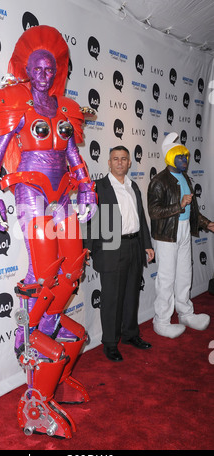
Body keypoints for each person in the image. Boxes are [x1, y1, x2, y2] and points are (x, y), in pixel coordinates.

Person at [0, 25, 97, 438]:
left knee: (72, 269)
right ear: (28, 70)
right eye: (38, 67)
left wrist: (87, 188)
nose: (45, 73)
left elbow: (72, 154)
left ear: (57, 70)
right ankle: (32, 354)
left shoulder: (64, 108)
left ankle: (44, 352)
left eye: (51, 67)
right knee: (45, 276)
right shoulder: (18, 102)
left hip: (64, 193)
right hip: (30, 191)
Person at [87, 146, 154, 362]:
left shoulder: (133, 186)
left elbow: (140, 217)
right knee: (111, 299)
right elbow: (90, 219)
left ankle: (130, 334)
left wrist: (146, 244)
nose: (119, 162)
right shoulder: (99, 186)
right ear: (108, 162)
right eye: (115, 158)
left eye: (124, 159)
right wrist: (87, 247)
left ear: (129, 163)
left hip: (134, 245)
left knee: (131, 295)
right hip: (110, 248)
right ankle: (110, 343)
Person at [147, 132, 214, 339]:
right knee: (166, 278)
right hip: (167, 234)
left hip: (184, 230)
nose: (185, 160)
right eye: (180, 156)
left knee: (185, 274)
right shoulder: (159, 181)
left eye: (186, 156)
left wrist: (207, 224)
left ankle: (185, 313)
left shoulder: (185, 178)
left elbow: (192, 209)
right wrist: (179, 205)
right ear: (169, 156)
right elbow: (154, 212)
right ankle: (162, 320)